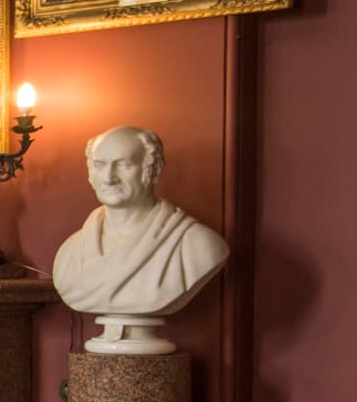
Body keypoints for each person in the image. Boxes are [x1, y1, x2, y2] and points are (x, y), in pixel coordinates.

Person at [52, 125, 229, 350]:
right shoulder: (70, 253)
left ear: (152, 170)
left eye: (124, 165)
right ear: (90, 172)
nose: (109, 178)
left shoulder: (198, 245)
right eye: (100, 165)